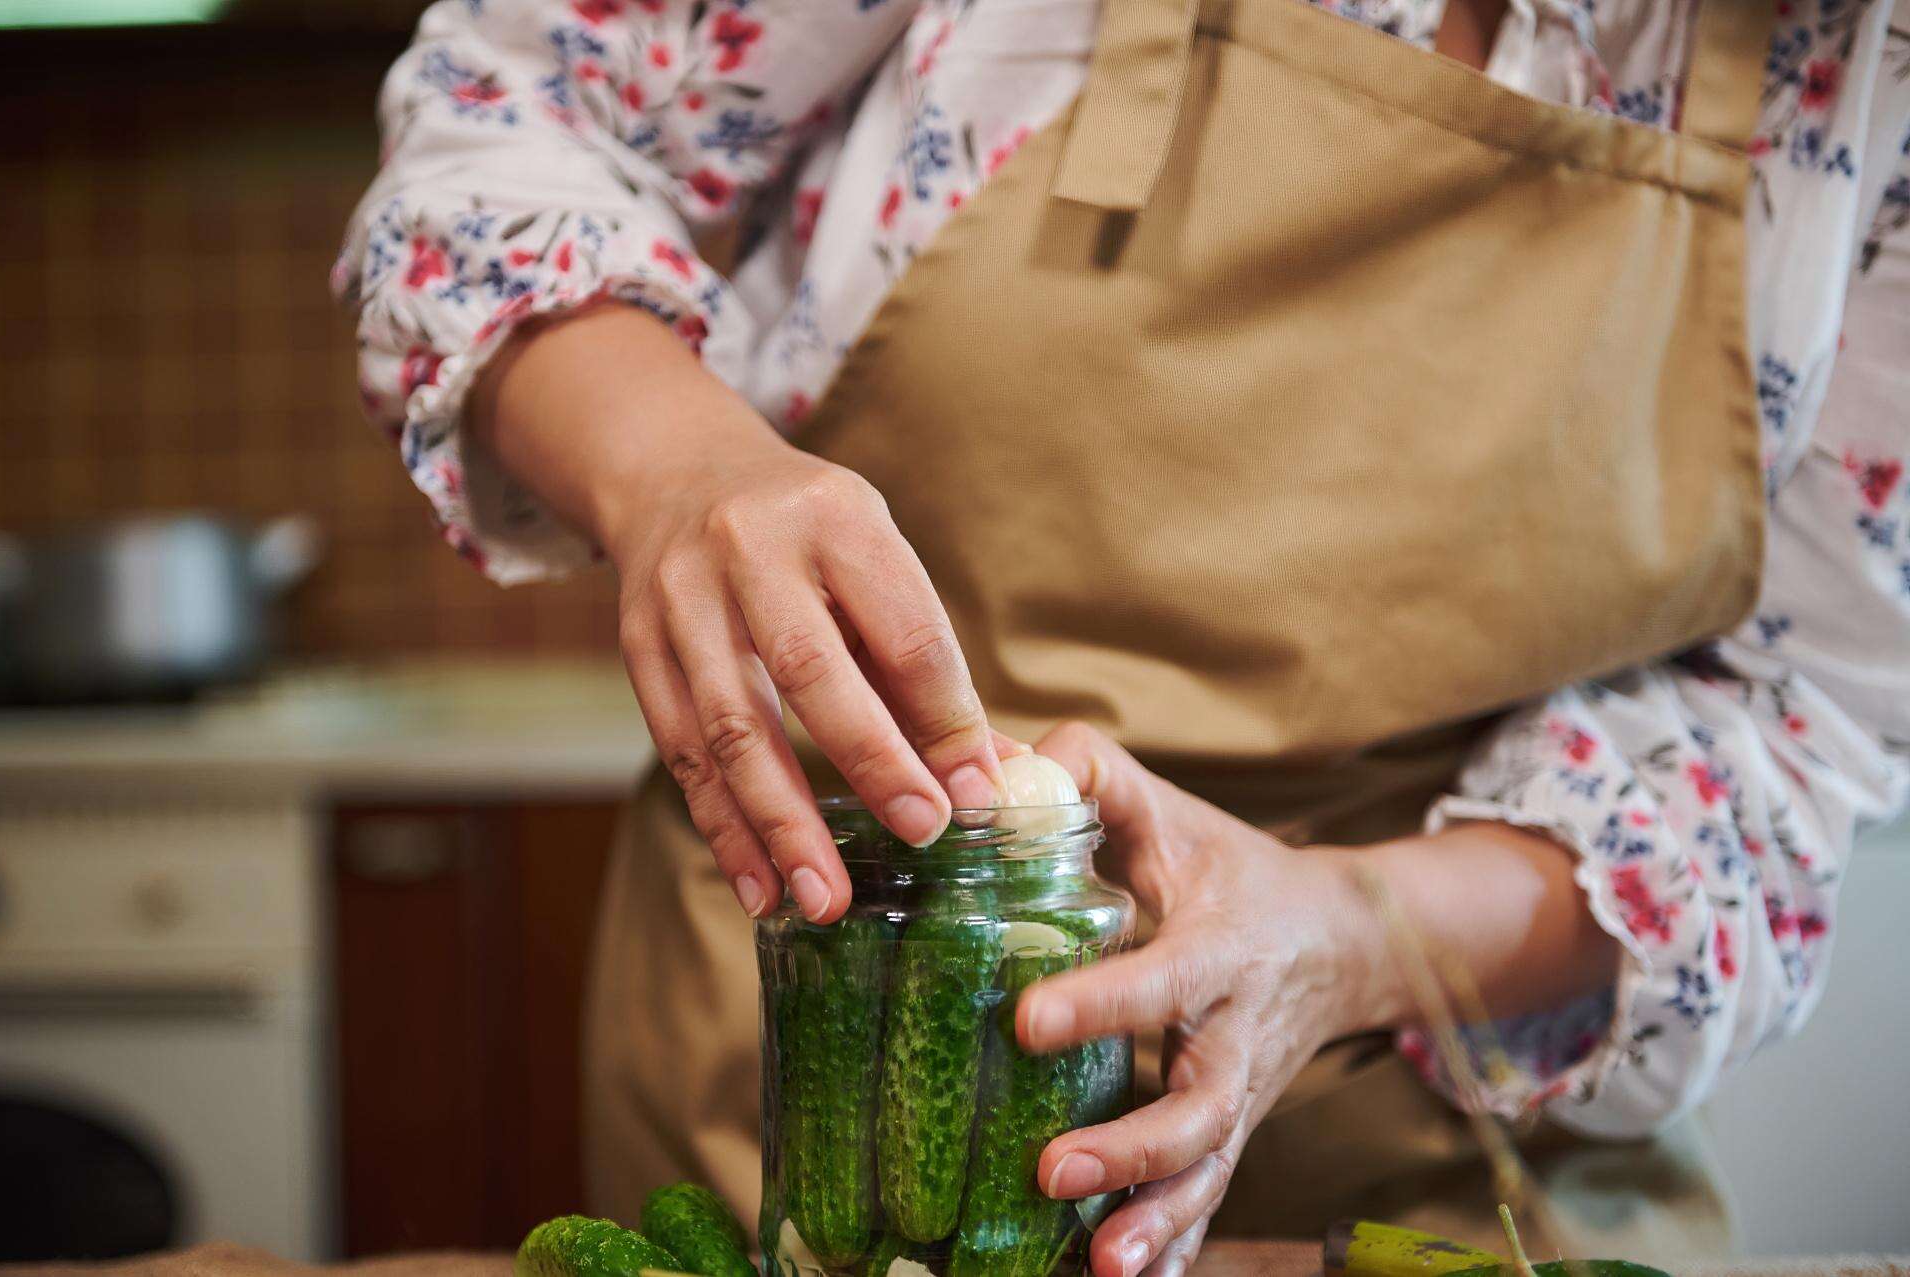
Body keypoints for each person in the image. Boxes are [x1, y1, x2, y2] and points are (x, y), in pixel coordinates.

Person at [336, 0, 1910, 1268]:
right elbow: (510, 112)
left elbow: (1786, 727)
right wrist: (678, 466)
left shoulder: (1867, 65)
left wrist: (1349, 930)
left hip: (1435, 1156)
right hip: (843, 1087)